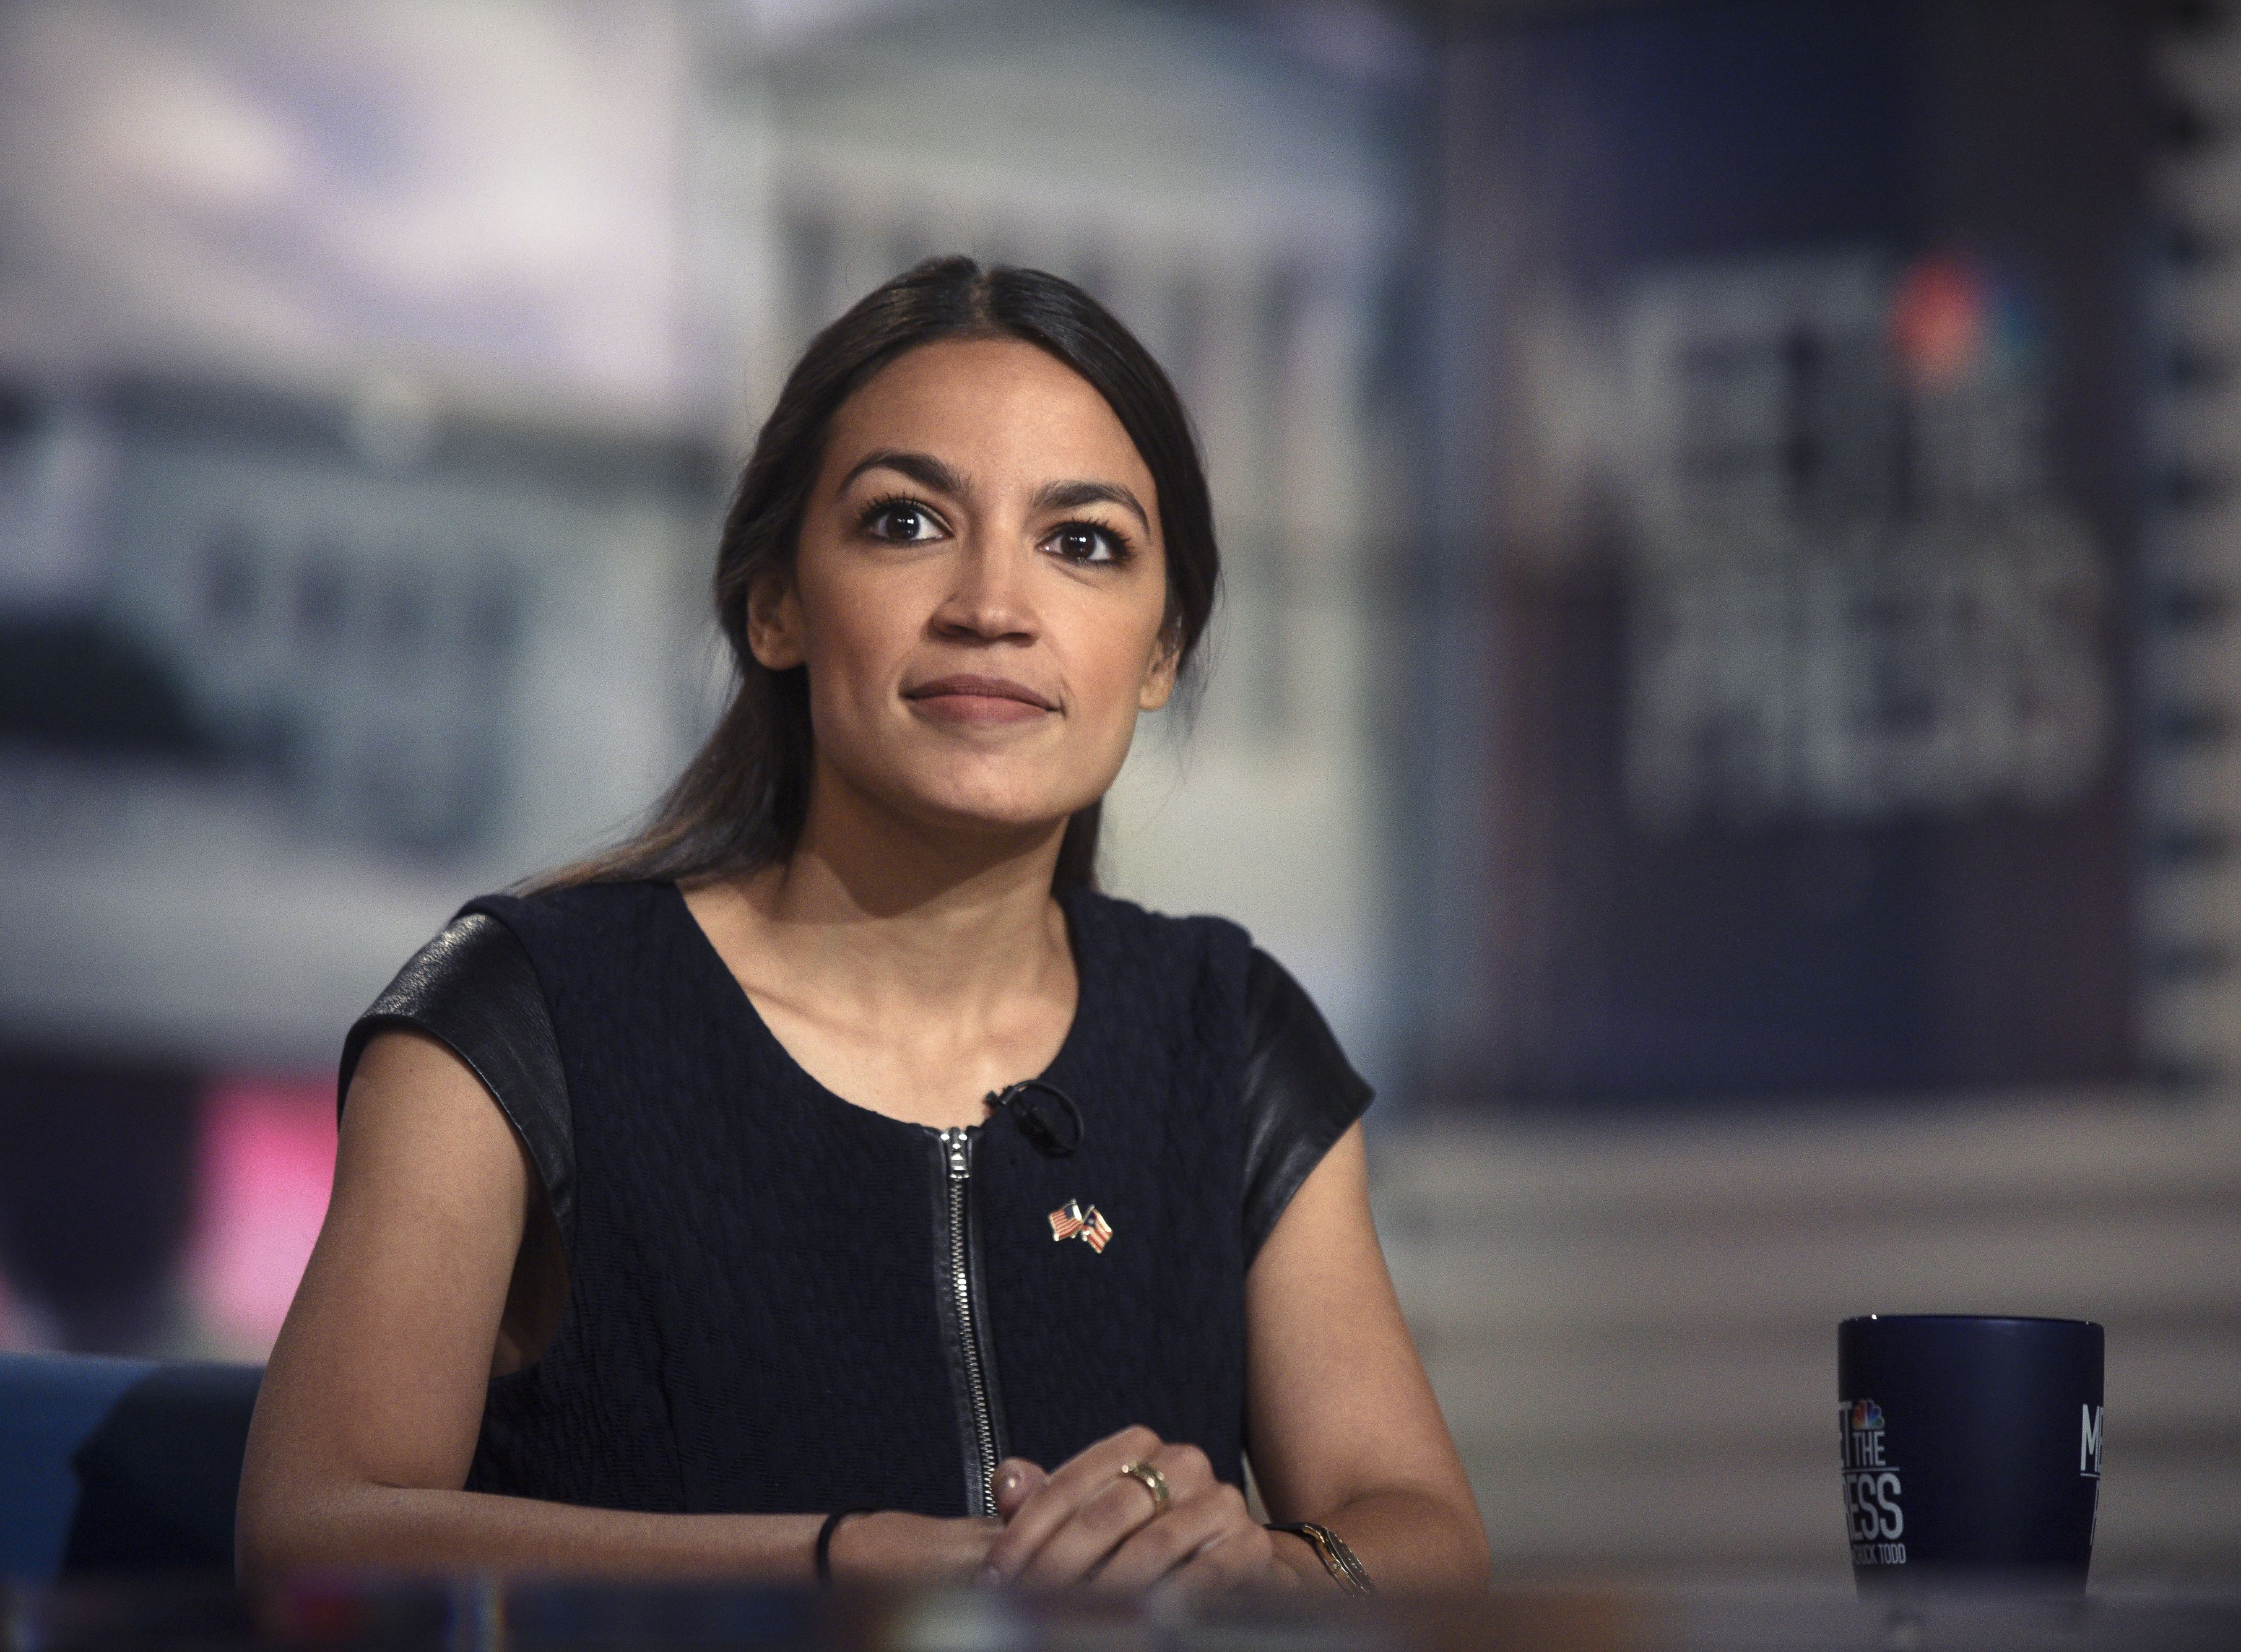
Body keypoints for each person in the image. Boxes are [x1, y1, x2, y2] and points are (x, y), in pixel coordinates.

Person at [235, 257, 1488, 1594]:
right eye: (905, 522)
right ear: (774, 604)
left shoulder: (1224, 1032)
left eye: (1082, 543)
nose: (991, 608)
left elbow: (1423, 1528)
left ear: (1162, 651)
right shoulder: (522, 1014)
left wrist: (1274, 1574)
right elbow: (313, 1532)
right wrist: (844, 1562)